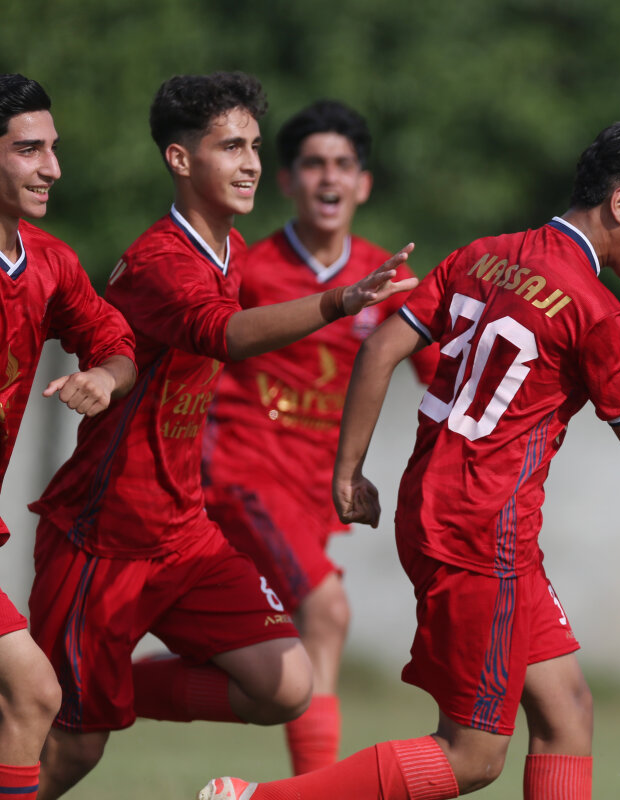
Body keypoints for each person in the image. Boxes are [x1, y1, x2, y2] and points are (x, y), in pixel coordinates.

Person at [197, 117, 620, 800]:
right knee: (472, 756)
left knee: (567, 713)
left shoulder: (483, 254)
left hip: (445, 514)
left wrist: (349, 473)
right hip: (481, 536)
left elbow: (380, 347)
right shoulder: (594, 311)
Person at [26, 72, 419, 799]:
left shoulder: (230, 249)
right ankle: (86, 704)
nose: (251, 164)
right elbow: (224, 335)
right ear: (180, 160)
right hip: (104, 537)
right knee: (73, 751)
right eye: (231, 147)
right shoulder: (160, 261)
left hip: (184, 532)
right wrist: (339, 301)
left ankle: (108, 692)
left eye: (255, 147)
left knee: (286, 683)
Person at [201, 99, 437, 775]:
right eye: (312, 164)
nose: (328, 177)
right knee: (326, 612)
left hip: (316, 492)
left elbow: (441, 380)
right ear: (287, 180)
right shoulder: (248, 267)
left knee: (279, 658)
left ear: (363, 183)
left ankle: (108, 688)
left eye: (342, 164)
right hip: (241, 475)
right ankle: (317, 791)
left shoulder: (386, 278)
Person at [0, 73, 137, 800]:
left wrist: (106, 379)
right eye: (29, 150)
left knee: (32, 698)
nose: (51, 167)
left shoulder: (48, 264)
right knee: (33, 692)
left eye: (53, 149)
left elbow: (115, 340)